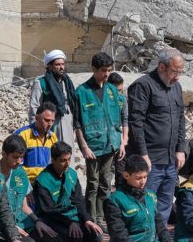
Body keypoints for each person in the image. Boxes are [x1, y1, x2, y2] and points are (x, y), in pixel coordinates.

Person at [104, 154, 191, 242]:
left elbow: (160, 227)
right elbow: (119, 236)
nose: (142, 181)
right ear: (126, 175)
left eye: (145, 177)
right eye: (138, 178)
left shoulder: (150, 196)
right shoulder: (114, 200)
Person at [127, 48, 187, 222]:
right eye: (174, 72)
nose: (177, 77)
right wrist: (143, 155)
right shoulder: (143, 86)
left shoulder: (176, 87)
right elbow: (135, 122)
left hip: (170, 159)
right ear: (161, 67)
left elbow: (180, 119)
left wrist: (180, 149)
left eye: (180, 72)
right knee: (145, 202)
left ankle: (158, 239)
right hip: (150, 159)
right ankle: (143, 239)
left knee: (165, 203)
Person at [74, 53, 125, 225]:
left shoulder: (111, 90)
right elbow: (77, 123)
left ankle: (102, 218)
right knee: (93, 183)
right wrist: (84, 147)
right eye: (103, 70)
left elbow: (119, 115)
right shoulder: (82, 92)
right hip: (93, 145)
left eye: (109, 70)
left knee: (106, 182)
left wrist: (120, 142)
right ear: (94, 69)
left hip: (110, 144)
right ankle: (91, 218)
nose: (107, 74)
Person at [31, 142, 103, 242]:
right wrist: (70, 223)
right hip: (53, 220)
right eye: (63, 160)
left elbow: (78, 200)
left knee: (97, 236)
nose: (67, 164)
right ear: (53, 160)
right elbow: (49, 211)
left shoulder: (72, 174)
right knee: (75, 239)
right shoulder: (42, 180)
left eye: (69, 159)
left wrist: (87, 220)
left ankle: (77, 232)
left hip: (72, 217)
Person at [0, 135, 56, 242]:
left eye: (21, 158)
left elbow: (24, 206)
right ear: (4, 154)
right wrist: (10, 226)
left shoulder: (20, 172)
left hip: (22, 222)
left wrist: (37, 221)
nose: (19, 161)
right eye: (15, 157)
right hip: (3, 225)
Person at [28, 49, 78, 160]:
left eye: (63, 64)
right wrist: (35, 130)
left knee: (68, 154)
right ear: (49, 66)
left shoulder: (67, 82)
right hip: (50, 125)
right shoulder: (41, 83)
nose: (61, 67)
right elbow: (34, 107)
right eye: (57, 65)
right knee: (52, 155)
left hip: (67, 123)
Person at [15, 102, 58, 183]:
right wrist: (23, 188)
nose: (50, 124)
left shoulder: (53, 137)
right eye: (47, 120)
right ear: (36, 118)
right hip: (26, 183)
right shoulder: (23, 135)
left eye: (52, 121)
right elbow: (15, 166)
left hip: (45, 183)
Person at [108, 72, 129, 189]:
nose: (119, 93)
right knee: (107, 172)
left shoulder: (122, 100)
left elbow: (125, 119)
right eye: (117, 90)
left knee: (120, 171)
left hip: (119, 139)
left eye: (121, 90)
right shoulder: (102, 99)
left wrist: (124, 141)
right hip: (105, 140)